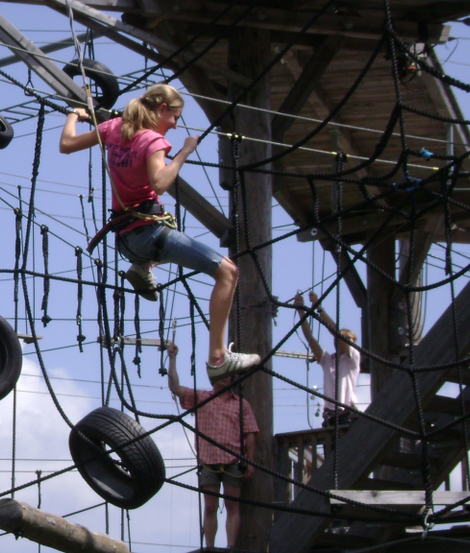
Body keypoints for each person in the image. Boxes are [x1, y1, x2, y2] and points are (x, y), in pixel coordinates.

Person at [60, 84, 259, 378]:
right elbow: (160, 183)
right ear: (162, 110)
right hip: (149, 234)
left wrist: (74, 115)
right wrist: (184, 152)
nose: (176, 125)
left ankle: (142, 267)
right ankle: (218, 359)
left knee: (171, 228)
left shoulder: (112, 128)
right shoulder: (153, 140)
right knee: (228, 272)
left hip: (125, 240)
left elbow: (66, 144)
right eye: (175, 117)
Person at [166, 342, 257, 549]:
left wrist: (251, 463)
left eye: (229, 373)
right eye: (222, 372)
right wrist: (172, 359)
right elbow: (175, 388)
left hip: (233, 459)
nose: (226, 377)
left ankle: (231, 547)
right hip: (208, 460)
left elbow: (251, 436)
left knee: (233, 505)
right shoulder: (202, 398)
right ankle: (210, 547)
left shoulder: (240, 404)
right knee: (210, 507)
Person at [294, 291, 361, 427]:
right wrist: (301, 311)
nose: (341, 341)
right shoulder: (327, 360)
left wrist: (318, 307)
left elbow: (336, 331)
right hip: (329, 416)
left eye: (349, 339)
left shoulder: (353, 357)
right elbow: (310, 338)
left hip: (346, 413)